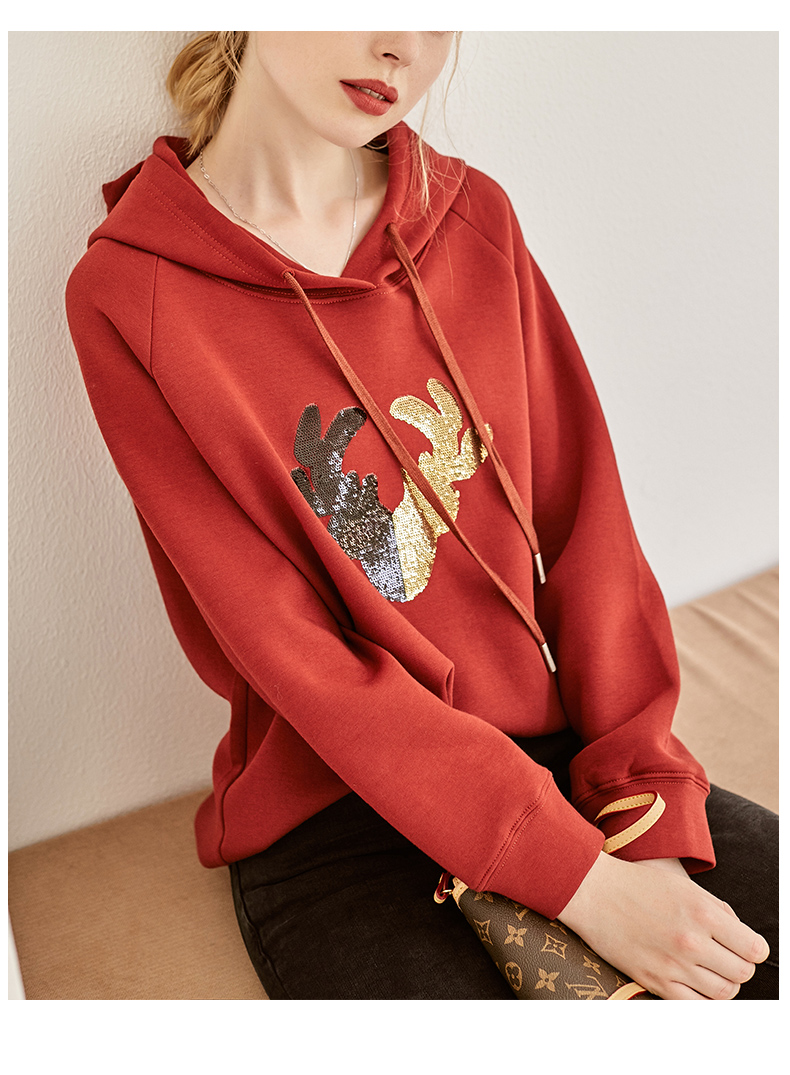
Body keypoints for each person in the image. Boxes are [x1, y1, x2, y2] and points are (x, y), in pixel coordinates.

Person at [65, 31, 777, 1000]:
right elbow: (290, 650)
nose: (402, 44)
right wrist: (583, 887)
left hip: (561, 755)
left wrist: (640, 808)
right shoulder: (133, 294)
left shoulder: (472, 217)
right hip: (339, 808)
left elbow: (589, 531)